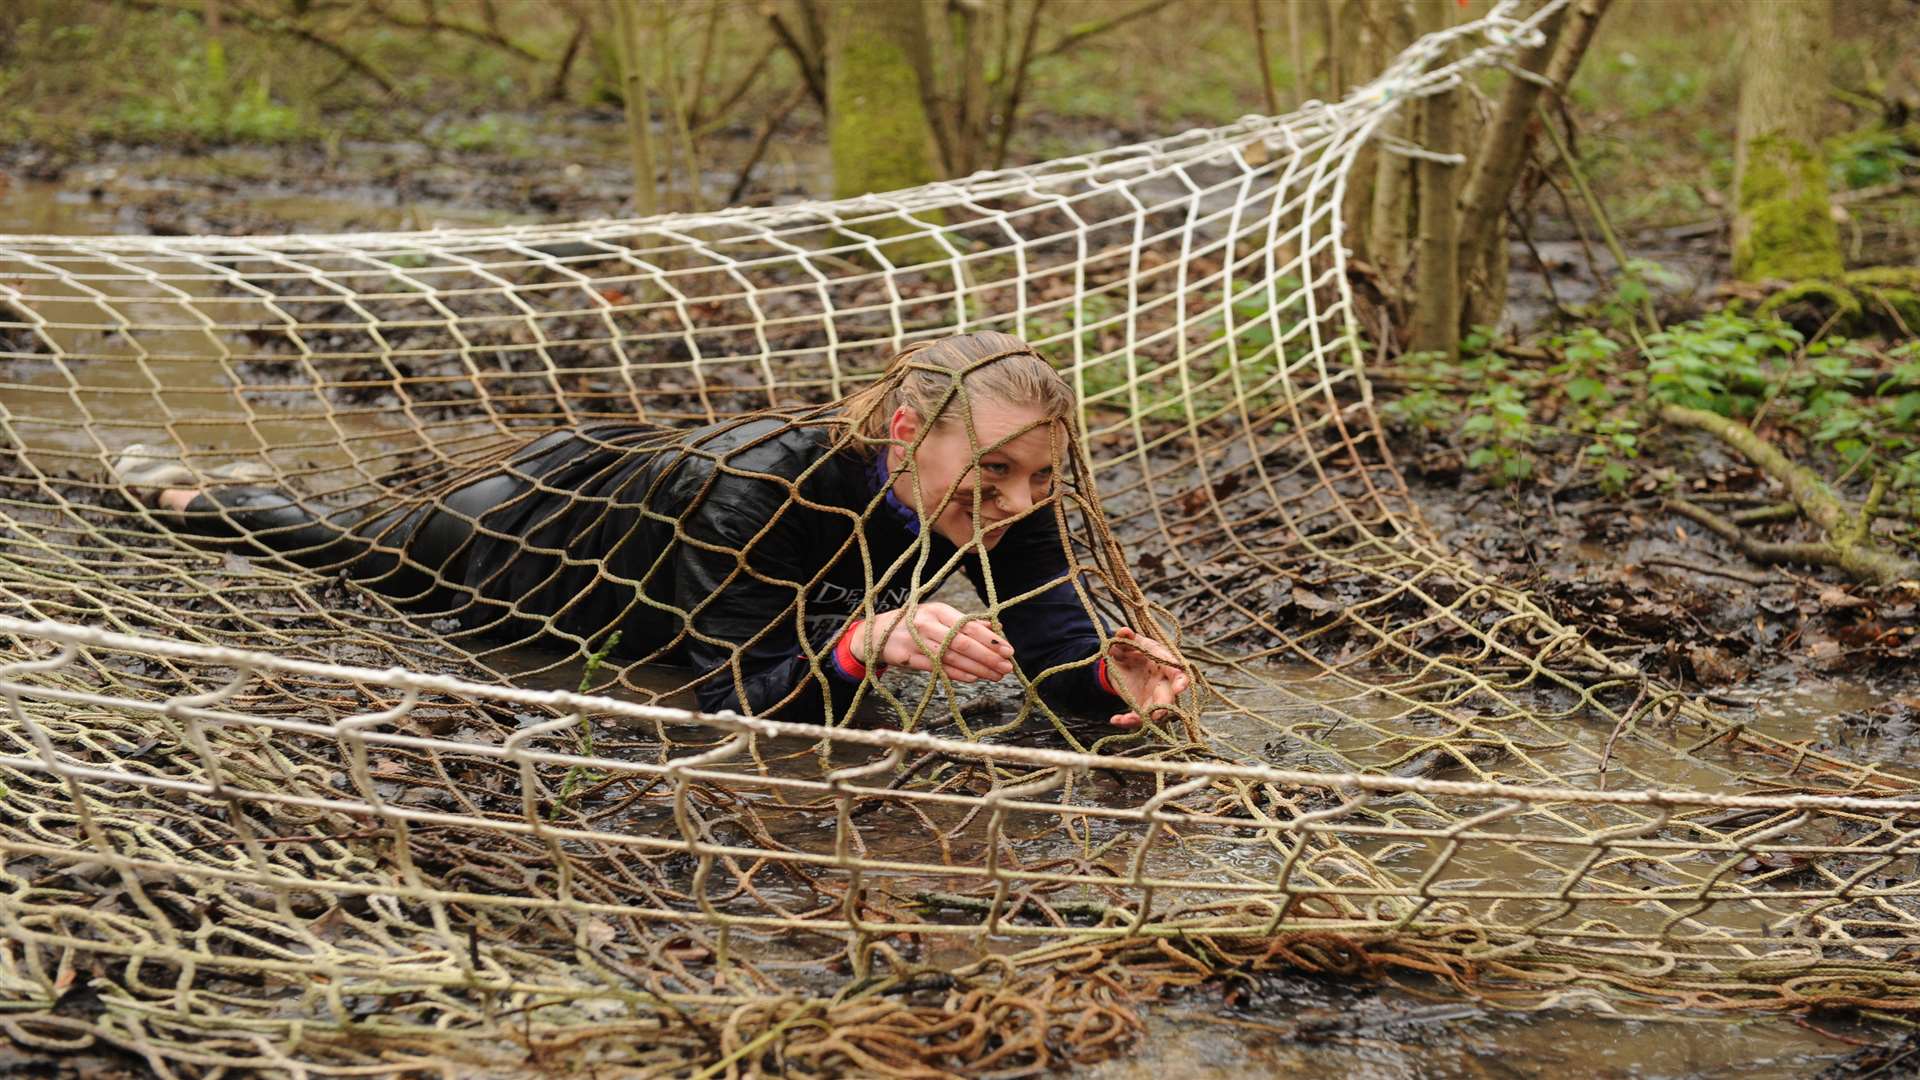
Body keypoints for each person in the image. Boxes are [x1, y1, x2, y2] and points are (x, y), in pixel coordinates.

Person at [112, 332, 1189, 730]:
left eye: (1041, 477)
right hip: (543, 548)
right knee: (360, 548)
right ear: (908, 430)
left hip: (696, 582)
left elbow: (1056, 673)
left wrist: (1111, 686)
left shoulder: (1019, 509)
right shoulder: (772, 484)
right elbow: (731, 694)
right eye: (993, 469)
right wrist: (866, 643)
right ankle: (195, 499)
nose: (1017, 500)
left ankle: (236, 488)